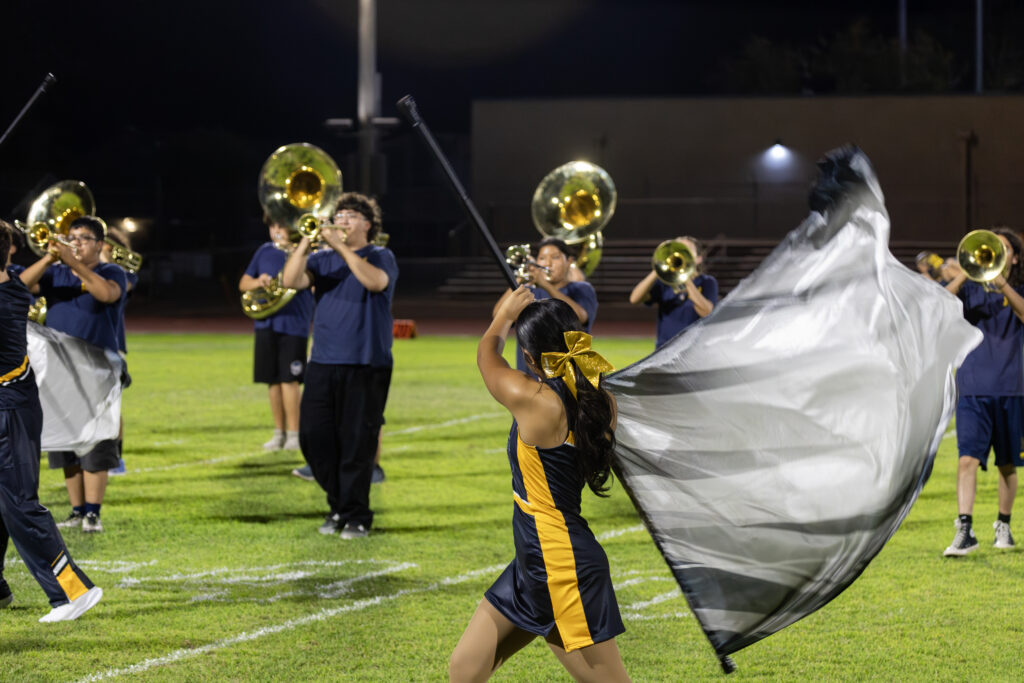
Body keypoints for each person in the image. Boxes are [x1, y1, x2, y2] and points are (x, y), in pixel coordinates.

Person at [449, 291, 629, 682]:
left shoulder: (535, 400)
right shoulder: (602, 400)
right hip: (536, 557)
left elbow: (487, 356)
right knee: (465, 669)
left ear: (530, 358)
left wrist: (503, 317)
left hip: (560, 563)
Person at [0, 220, 103, 621]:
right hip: (14, 401)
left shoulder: (5, 296)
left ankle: (74, 592)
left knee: (20, 504)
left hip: (9, 409)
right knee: (4, 502)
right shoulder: (11, 285)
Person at [282, 193, 397, 539]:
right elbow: (288, 281)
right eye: (338, 216)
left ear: (367, 224)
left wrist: (341, 248)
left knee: (356, 442)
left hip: (366, 364)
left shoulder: (380, 255)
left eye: (349, 216)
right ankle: (338, 505)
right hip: (323, 361)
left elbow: (375, 282)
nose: (341, 221)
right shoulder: (321, 259)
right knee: (314, 438)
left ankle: (356, 514)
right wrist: (305, 242)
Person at [18, 216, 127, 534]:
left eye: (83, 238)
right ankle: (77, 510)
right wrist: (50, 258)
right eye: (72, 237)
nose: (75, 243)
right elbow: (19, 286)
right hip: (60, 369)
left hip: (98, 369)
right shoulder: (55, 271)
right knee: (65, 441)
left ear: (100, 245)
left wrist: (73, 264)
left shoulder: (111, 270)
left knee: (95, 440)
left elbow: (106, 295)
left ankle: (93, 513)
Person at [942, 227, 1024, 556]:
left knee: (1007, 464)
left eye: (1002, 249)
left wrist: (1001, 281)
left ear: (1013, 257)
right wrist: (965, 273)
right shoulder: (971, 294)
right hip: (973, 387)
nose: (995, 254)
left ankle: (1003, 525)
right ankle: (965, 529)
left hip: (1013, 389)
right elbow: (939, 304)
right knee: (967, 460)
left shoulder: (1018, 289)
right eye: (990, 249)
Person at [239, 216, 314, 453]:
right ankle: (278, 433)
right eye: (272, 226)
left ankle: (295, 434)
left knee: (289, 381)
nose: (277, 231)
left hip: (293, 324)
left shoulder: (306, 253)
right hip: (265, 324)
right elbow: (243, 283)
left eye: (281, 226)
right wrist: (258, 282)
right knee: (272, 381)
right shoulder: (264, 251)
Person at [493, 237, 598, 374]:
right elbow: (498, 315)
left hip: (569, 375)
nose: (548, 263)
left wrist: (545, 284)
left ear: (569, 261)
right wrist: (519, 279)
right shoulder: (528, 291)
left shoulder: (581, 288)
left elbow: (580, 316)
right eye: (542, 258)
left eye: (555, 258)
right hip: (531, 377)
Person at [628, 236, 717, 349]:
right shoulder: (665, 283)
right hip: (664, 350)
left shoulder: (707, 282)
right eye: (678, 250)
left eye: (686, 251)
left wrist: (686, 279)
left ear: (698, 259)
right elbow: (634, 299)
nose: (680, 254)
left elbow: (707, 313)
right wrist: (658, 269)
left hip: (693, 350)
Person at [100, 225, 138, 475]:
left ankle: (116, 459)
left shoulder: (124, 274)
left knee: (111, 406)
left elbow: (117, 289)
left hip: (111, 344)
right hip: (79, 343)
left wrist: (104, 259)